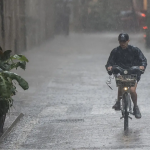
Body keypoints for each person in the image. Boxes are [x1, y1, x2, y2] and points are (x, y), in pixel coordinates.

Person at [105, 33, 147, 119]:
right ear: (119, 41)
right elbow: (109, 62)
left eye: (124, 41)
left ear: (128, 41)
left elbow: (143, 60)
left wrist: (141, 66)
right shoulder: (115, 51)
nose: (122, 43)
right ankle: (118, 101)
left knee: (132, 90)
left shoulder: (135, 50)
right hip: (120, 73)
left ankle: (135, 107)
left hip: (133, 73)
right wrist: (109, 67)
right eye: (121, 41)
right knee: (121, 84)